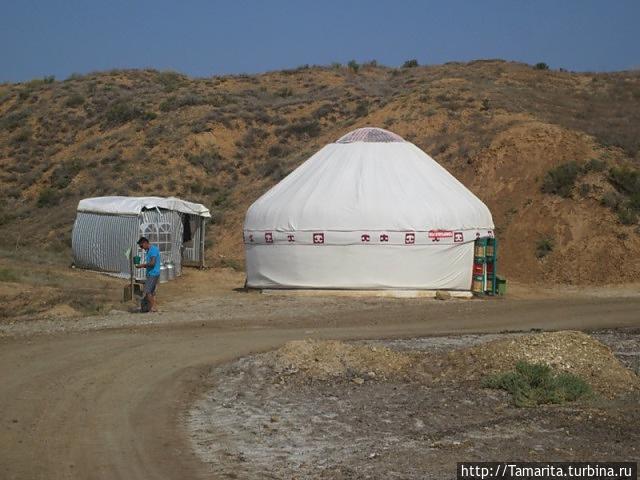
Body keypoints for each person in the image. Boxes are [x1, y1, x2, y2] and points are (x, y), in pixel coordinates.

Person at [135, 237, 161, 313]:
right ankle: (150, 307)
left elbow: (152, 263)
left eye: (141, 246)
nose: (142, 248)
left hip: (153, 273)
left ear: (146, 243)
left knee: (147, 291)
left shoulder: (153, 250)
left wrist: (142, 265)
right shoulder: (149, 250)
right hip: (151, 273)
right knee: (152, 292)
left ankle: (153, 307)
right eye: (140, 247)